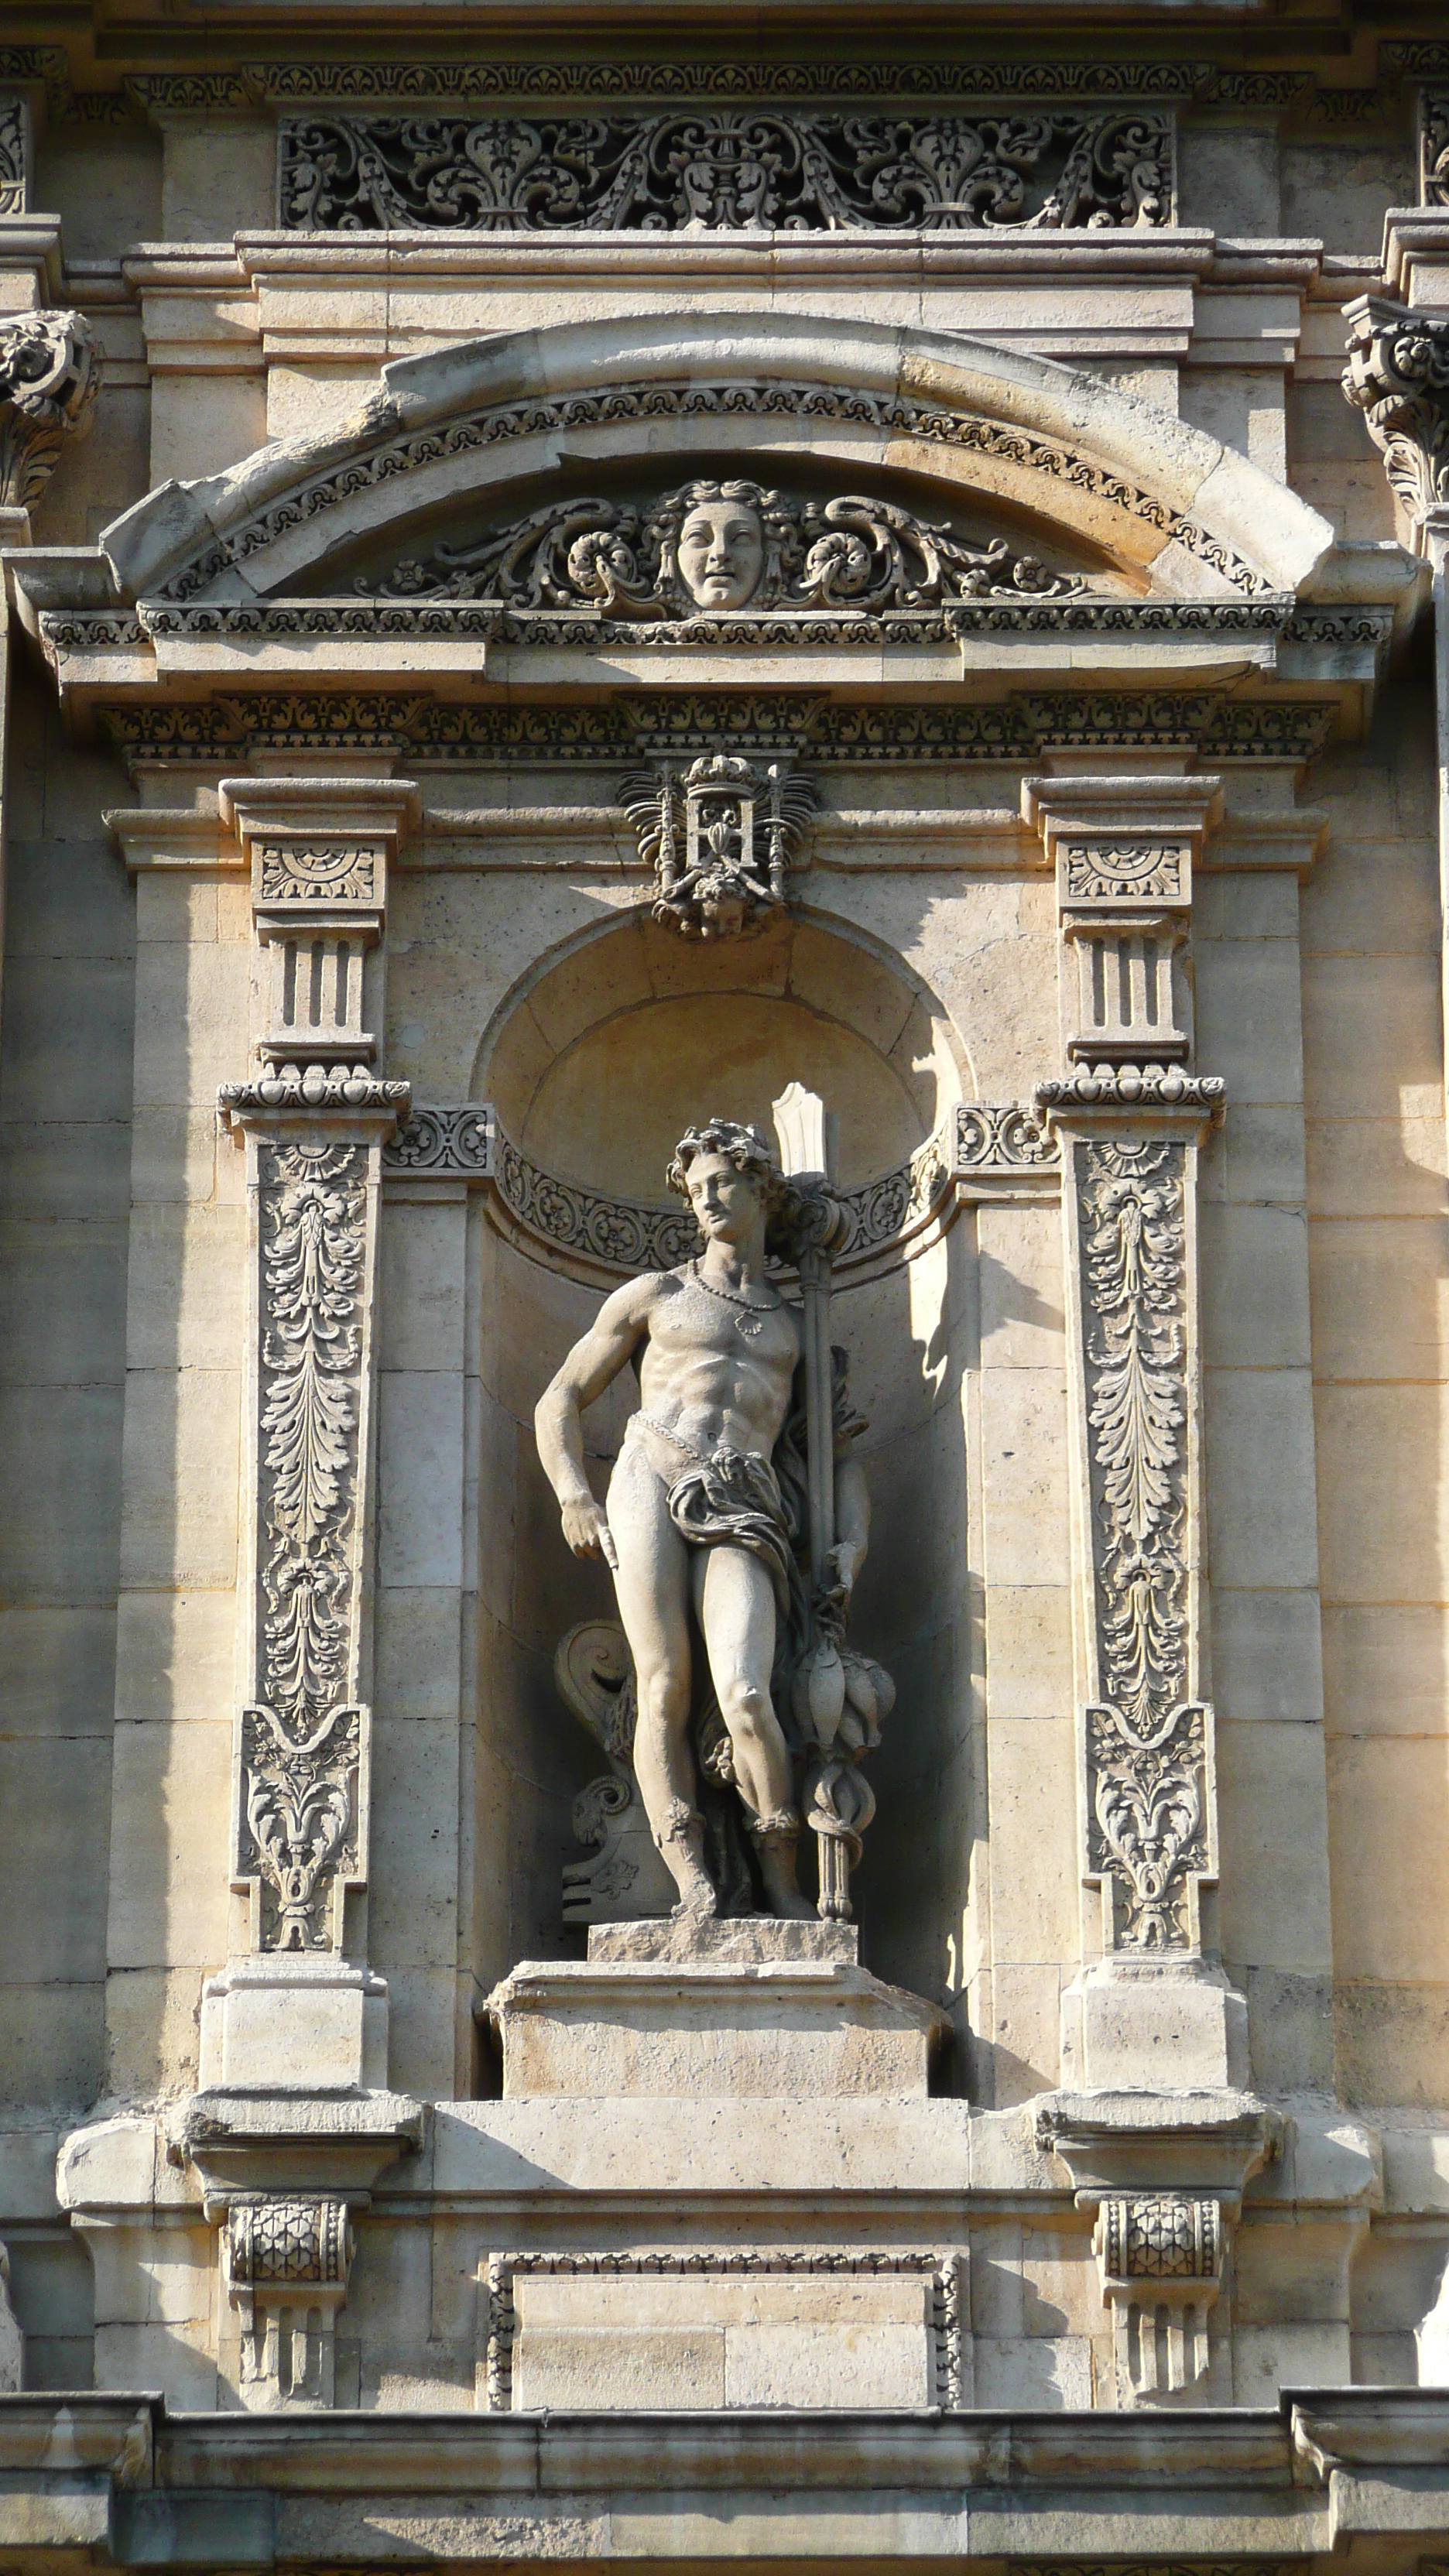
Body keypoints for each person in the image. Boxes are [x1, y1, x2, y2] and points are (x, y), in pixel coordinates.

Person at [535, 1118, 868, 1918]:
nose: (708, 1198)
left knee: (749, 1691)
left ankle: (781, 1873)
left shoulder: (798, 1328)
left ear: (763, 1188)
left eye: (724, 1181)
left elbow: (839, 1455)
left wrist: (855, 1538)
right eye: (697, 1188)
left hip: (749, 1501)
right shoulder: (659, 1295)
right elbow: (559, 1399)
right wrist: (574, 1492)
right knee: (663, 1683)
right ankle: (692, 1881)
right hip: (653, 1468)